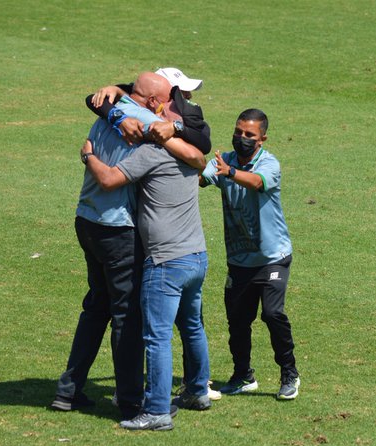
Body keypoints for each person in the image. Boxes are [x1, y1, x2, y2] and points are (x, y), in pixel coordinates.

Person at [51, 72, 207, 419]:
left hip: (86, 220)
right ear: (154, 102)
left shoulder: (108, 107)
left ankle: (69, 390)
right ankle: (132, 399)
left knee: (97, 307)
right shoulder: (149, 120)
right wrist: (179, 135)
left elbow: (94, 98)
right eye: (166, 101)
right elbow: (199, 153)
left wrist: (114, 93)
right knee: (127, 315)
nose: (169, 108)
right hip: (117, 228)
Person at [199, 109, 301, 400]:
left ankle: (289, 373)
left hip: (273, 256)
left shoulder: (269, 163)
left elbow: (257, 183)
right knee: (238, 320)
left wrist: (228, 173)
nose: (241, 138)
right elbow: (200, 178)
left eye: (249, 135)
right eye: (239, 132)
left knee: (272, 313)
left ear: (262, 139)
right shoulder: (224, 161)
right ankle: (243, 375)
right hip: (239, 259)